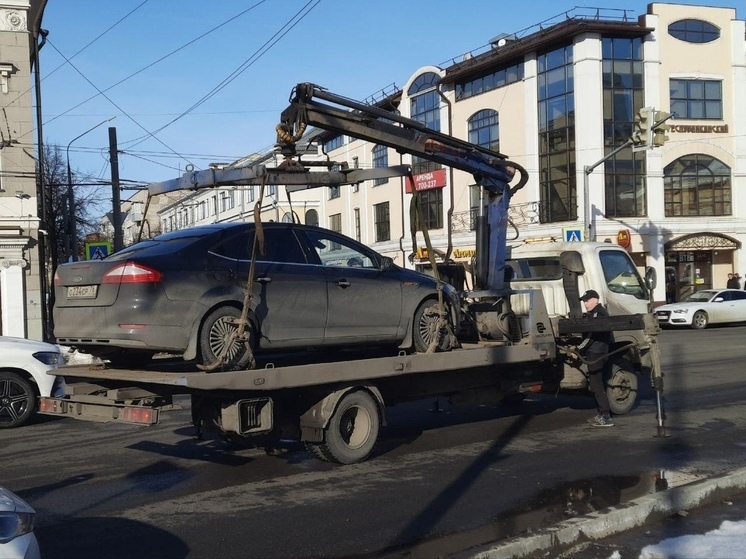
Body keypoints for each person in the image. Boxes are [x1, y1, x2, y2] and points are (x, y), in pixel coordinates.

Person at [577, 289, 614, 428]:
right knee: (598, 384)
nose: (585, 304)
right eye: (584, 301)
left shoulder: (598, 314)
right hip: (598, 351)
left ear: (596, 300)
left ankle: (606, 416)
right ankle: (602, 414)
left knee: (596, 385)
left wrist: (579, 349)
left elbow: (592, 336)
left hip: (596, 352)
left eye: (587, 300)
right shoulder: (596, 313)